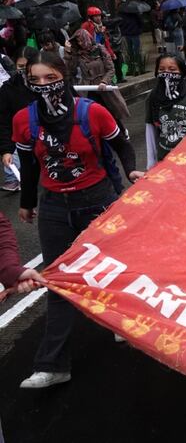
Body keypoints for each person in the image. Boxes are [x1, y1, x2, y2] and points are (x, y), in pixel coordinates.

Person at [14, 51, 143, 389]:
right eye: (35, 79)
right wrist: (27, 204)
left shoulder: (92, 112)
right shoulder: (24, 120)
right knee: (58, 280)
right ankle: (52, 365)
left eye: (50, 78)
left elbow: (122, 145)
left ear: (64, 77)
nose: (43, 85)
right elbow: (29, 166)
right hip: (54, 207)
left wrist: (131, 171)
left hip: (97, 200)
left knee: (110, 269)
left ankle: (121, 322)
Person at [0, 46, 37, 191]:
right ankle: (14, 179)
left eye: (28, 66)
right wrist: (6, 150)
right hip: (22, 139)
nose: (25, 70)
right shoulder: (8, 90)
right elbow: (4, 122)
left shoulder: (52, 82)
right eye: (20, 66)